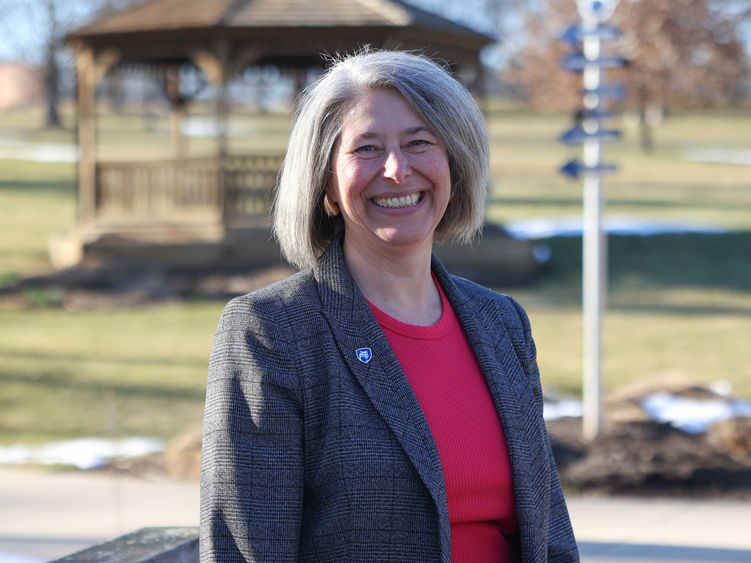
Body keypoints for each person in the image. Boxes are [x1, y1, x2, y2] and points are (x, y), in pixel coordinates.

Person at [200, 49, 579, 562]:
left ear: (455, 164)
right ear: (326, 182)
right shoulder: (273, 332)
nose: (397, 170)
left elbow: (548, 533)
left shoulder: (501, 322)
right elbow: (245, 552)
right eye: (367, 149)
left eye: (419, 143)